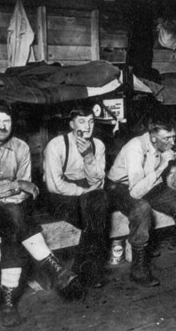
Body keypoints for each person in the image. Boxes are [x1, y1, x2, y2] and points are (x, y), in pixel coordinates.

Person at [0, 99, 80, 328]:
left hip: (11, 210)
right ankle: (53, 267)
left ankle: (7, 303)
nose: (2, 126)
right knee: (14, 215)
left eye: (7, 121)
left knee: (13, 228)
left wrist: (9, 195)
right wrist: (15, 187)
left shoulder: (21, 147)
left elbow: (28, 192)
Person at [107, 119, 176, 288]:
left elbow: (159, 180)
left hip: (149, 182)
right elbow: (135, 192)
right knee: (141, 208)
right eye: (167, 138)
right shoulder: (135, 149)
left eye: (173, 137)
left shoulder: (162, 145)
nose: (172, 142)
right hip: (120, 187)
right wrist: (163, 165)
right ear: (153, 138)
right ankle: (138, 269)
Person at [43, 104, 109, 289]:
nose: (88, 127)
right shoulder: (56, 145)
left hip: (87, 191)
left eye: (91, 121)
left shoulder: (98, 145)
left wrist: (88, 156)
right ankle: (88, 269)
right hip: (59, 195)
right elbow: (53, 184)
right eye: (81, 121)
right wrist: (82, 192)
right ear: (72, 124)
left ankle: (80, 269)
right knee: (95, 215)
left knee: (99, 202)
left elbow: (99, 181)